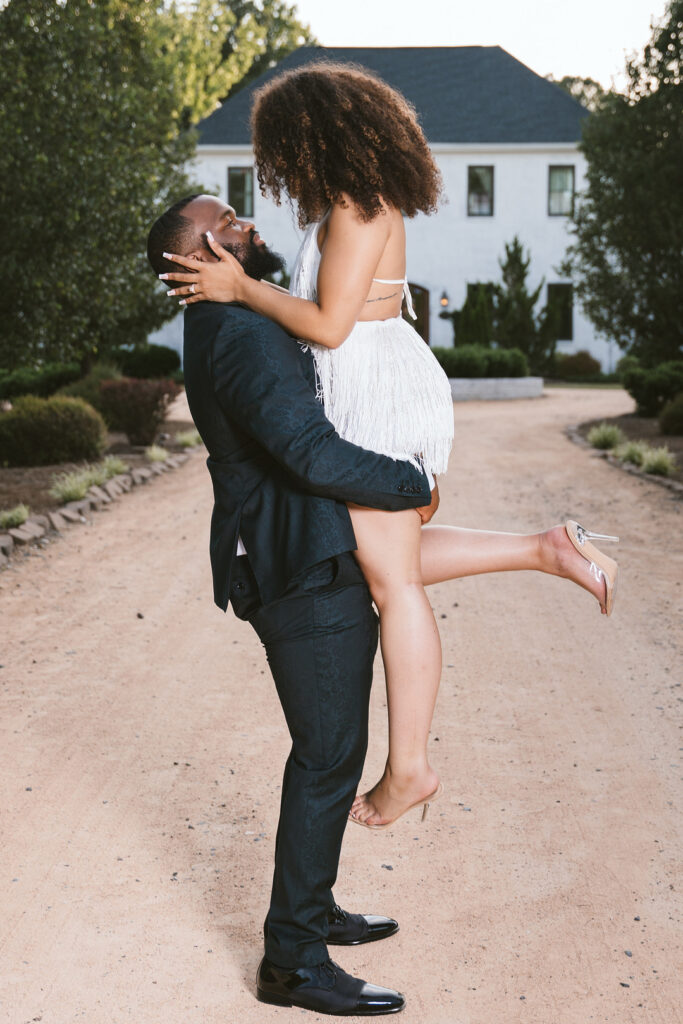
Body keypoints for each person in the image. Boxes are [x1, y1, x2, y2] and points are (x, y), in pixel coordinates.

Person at [159, 63, 619, 831]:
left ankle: (410, 769)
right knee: (384, 560)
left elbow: (331, 326)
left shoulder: (359, 207)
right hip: (362, 389)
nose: (281, 165)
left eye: (286, 147)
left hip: (374, 395)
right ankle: (547, 549)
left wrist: (241, 290)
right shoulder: (339, 208)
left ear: (318, 135)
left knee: (390, 585)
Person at [147, 192, 438, 1016]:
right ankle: (292, 962)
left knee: (329, 751)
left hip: (304, 549)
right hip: (297, 562)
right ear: (201, 251)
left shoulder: (231, 321)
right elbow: (308, 452)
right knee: (326, 755)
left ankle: (315, 913)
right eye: (231, 221)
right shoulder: (237, 333)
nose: (249, 225)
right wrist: (409, 483)